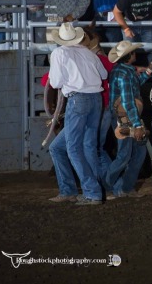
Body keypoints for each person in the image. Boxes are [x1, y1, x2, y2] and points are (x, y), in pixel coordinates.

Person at [47, 23, 108, 205]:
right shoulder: (88, 52)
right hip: (95, 99)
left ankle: (91, 191)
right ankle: (94, 189)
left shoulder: (59, 53)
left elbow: (56, 82)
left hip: (77, 99)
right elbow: (104, 75)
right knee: (87, 145)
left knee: (72, 147)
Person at [105, 40, 152, 198]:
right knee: (128, 154)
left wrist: (147, 73)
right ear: (130, 55)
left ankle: (121, 187)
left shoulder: (124, 71)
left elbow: (132, 89)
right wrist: (137, 124)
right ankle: (111, 186)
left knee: (131, 153)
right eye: (133, 52)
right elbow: (127, 101)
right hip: (125, 117)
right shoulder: (125, 73)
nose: (135, 54)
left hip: (124, 116)